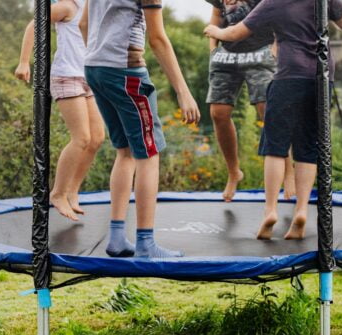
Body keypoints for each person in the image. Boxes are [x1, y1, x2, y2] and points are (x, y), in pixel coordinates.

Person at [205, 0, 342, 240]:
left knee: (275, 146)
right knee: (307, 147)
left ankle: (270, 210)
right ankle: (302, 210)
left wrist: (215, 31)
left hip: (289, 75)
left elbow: (236, 32)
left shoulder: (273, 1)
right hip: (322, 77)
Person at [80, 0, 200, 258]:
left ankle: (116, 237)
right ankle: (146, 243)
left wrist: (100, 53)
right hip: (125, 71)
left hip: (94, 67)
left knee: (125, 151)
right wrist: (183, 92)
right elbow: (158, 39)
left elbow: (83, 24)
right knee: (149, 152)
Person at [15, 0, 105, 222]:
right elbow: (34, 25)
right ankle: (57, 193)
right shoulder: (67, 6)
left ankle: (73, 191)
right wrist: (24, 62)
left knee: (97, 139)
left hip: (88, 77)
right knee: (81, 138)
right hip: (67, 77)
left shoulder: (93, 6)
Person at [205, 0, 296, 202]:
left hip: (260, 51)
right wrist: (213, 50)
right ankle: (234, 172)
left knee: (268, 110)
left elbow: (279, 17)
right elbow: (217, 15)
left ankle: (289, 170)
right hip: (226, 55)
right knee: (218, 113)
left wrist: (275, 49)